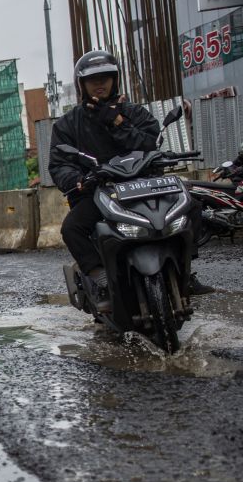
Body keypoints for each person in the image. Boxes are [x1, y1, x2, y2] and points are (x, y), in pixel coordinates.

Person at [49, 50, 213, 310]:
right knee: (72, 228)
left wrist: (116, 122)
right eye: (93, 80)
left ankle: (186, 267)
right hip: (99, 192)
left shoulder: (133, 112)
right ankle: (98, 275)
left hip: (143, 186)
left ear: (115, 79)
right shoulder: (67, 125)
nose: (100, 84)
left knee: (191, 205)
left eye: (105, 77)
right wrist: (79, 179)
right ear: (82, 85)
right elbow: (59, 164)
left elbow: (150, 143)